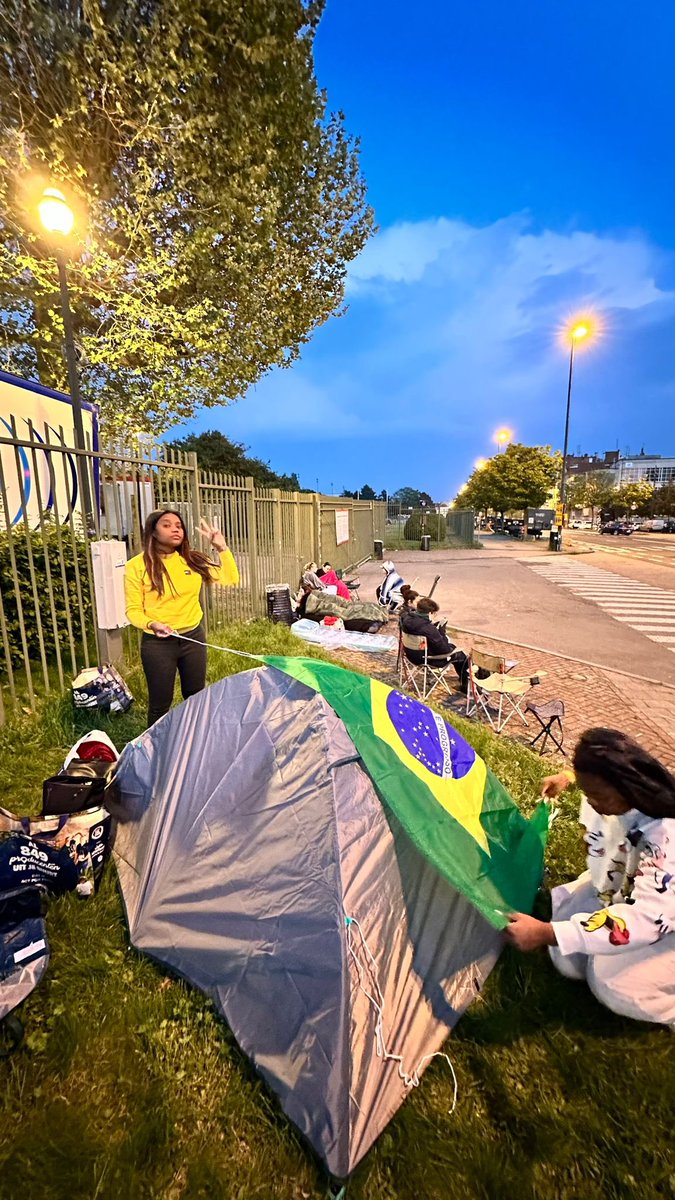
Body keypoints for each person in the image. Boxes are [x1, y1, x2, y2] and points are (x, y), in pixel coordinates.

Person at [506, 728, 675, 1028]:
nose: (591, 801)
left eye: (596, 794)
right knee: (568, 959)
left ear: (623, 786)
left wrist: (544, 932)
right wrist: (567, 777)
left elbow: (646, 919)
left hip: (660, 918)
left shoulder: (666, 839)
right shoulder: (631, 795)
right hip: (628, 887)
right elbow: (598, 775)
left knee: (608, 983)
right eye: (587, 792)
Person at [124, 509, 239, 726]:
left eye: (178, 525)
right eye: (167, 525)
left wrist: (221, 547)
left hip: (192, 638)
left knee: (195, 696)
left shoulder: (192, 560)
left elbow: (230, 578)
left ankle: (195, 741)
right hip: (158, 644)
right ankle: (157, 751)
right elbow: (133, 610)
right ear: (153, 532)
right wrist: (151, 624)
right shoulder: (136, 566)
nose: (175, 529)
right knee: (160, 704)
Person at [399, 595, 468, 681]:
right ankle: (465, 683)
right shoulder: (428, 629)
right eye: (435, 613)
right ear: (430, 613)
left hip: (410, 655)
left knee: (452, 647)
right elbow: (444, 650)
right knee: (460, 654)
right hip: (425, 659)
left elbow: (420, 630)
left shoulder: (406, 619)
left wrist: (433, 626)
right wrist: (441, 631)